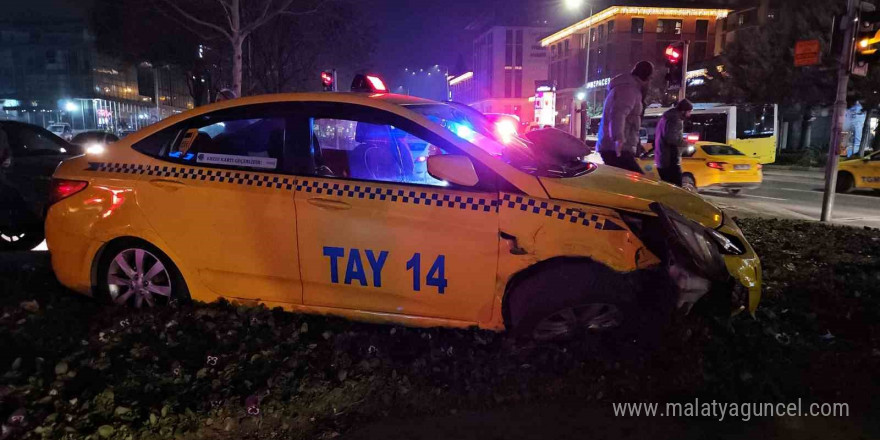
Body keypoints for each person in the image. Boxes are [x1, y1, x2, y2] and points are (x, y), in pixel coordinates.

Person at [596, 60, 654, 173]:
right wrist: (618, 139)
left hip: (615, 147)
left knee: (623, 182)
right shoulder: (629, 89)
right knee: (636, 181)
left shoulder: (628, 88)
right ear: (646, 77)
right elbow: (618, 114)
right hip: (617, 149)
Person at [654, 99, 694, 187]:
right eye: (689, 112)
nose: (689, 114)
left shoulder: (666, 117)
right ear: (683, 111)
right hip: (669, 160)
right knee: (676, 188)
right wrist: (686, 144)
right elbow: (672, 139)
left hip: (662, 158)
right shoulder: (675, 120)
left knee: (667, 187)